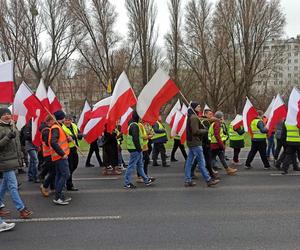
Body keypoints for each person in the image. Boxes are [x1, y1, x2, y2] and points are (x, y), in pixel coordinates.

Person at [0, 108, 33, 218]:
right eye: (4, 114)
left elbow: (18, 144)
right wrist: (8, 137)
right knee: (13, 186)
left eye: (8, 114)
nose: (7, 116)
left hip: (14, 160)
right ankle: (21, 209)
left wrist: (22, 157)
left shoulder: (13, 125)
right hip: (4, 161)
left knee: (4, 185)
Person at [184, 102, 219, 187]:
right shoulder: (194, 117)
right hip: (195, 142)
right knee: (201, 162)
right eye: (198, 106)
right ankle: (208, 180)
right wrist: (205, 130)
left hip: (191, 142)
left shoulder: (191, 116)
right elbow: (195, 131)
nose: (200, 108)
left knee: (189, 162)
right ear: (194, 108)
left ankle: (188, 180)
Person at [124, 111, 155, 189]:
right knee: (131, 166)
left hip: (136, 149)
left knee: (140, 165)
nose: (141, 118)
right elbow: (135, 138)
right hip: (135, 149)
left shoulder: (133, 124)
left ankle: (146, 180)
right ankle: (127, 183)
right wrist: (139, 149)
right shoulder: (134, 126)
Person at [50, 110, 71, 205]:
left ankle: (60, 196)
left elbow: (58, 141)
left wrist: (67, 139)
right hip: (60, 157)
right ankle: (58, 197)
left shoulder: (57, 127)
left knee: (59, 175)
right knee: (65, 175)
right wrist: (62, 154)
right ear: (62, 118)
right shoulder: (56, 127)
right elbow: (53, 142)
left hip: (59, 156)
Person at [209, 111, 238, 175]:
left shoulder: (215, 123)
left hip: (215, 143)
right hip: (216, 144)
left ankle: (227, 169)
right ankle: (209, 170)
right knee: (211, 158)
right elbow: (217, 135)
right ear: (220, 117)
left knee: (219, 157)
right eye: (222, 116)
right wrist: (221, 145)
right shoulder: (217, 123)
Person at [62, 114, 83, 191]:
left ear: (71, 120)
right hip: (67, 149)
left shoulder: (74, 125)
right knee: (70, 167)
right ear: (64, 120)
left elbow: (79, 134)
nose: (67, 122)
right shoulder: (62, 128)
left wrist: (79, 136)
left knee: (75, 165)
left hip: (74, 148)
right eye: (66, 120)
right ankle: (69, 184)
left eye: (69, 120)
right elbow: (65, 138)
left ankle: (66, 178)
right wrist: (74, 136)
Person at [40, 116, 56, 197]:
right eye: (54, 120)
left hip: (50, 154)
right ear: (50, 121)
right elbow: (48, 143)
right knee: (53, 171)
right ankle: (45, 185)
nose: (55, 121)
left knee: (52, 171)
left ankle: (53, 187)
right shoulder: (47, 130)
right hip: (49, 154)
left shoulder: (48, 129)